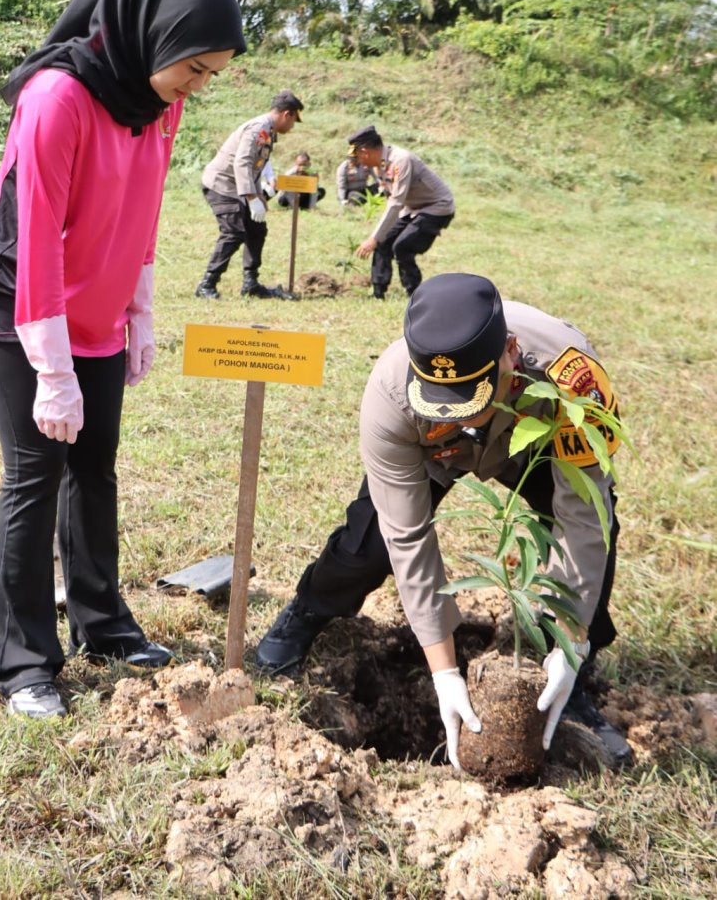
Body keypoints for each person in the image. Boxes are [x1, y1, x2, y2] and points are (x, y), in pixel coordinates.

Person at [0, 0, 245, 719]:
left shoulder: (160, 101)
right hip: (17, 300)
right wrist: (53, 370)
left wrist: (138, 308)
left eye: (211, 75)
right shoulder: (55, 98)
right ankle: (23, 660)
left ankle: (103, 623)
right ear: (150, 32)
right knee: (36, 470)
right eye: (194, 67)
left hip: (96, 302)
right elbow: (37, 235)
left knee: (96, 463)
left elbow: (143, 208)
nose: (198, 86)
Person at [256, 273, 632, 769]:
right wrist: (444, 673)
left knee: (595, 542)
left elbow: (583, 517)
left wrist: (572, 639)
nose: (458, 416)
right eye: (442, 402)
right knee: (367, 544)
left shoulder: (571, 378)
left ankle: (573, 681)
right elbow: (407, 536)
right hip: (439, 455)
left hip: (535, 445)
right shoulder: (390, 393)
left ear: (511, 353)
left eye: (469, 399)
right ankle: (308, 612)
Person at [195, 90, 304, 299]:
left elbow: (256, 165)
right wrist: (251, 197)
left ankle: (251, 283)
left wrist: (259, 195)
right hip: (222, 185)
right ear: (286, 114)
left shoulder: (269, 131)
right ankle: (207, 284)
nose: (292, 127)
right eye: (293, 121)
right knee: (234, 232)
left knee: (257, 229)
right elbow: (242, 162)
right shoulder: (258, 129)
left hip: (238, 186)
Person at [347, 126, 455, 300]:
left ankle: (415, 294)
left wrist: (372, 238)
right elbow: (391, 197)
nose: (359, 161)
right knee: (383, 241)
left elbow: (396, 202)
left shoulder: (400, 160)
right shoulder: (380, 165)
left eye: (358, 156)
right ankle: (378, 292)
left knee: (402, 246)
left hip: (436, 207)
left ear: (365, 151)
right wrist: (378, 237)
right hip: (411, 208)